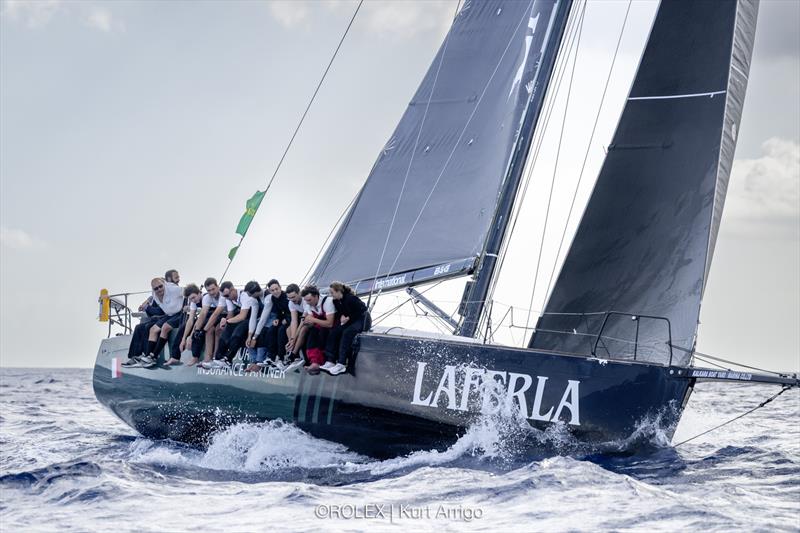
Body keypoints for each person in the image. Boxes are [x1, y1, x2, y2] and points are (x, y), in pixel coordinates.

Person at [123, 277, 183, 368]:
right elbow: (153, 303)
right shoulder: (154, 295)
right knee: (153, 329)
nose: (159, 289)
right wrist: (146, 303)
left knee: (165, 327)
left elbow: (189, 291)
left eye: (160, 286)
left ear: (164, 284)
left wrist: (188, 305)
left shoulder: (173, 289)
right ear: (153, 289)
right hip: (169, 315)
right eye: (156, 288)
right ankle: (147, 357)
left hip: (179, 313)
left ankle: (153, 356)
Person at [202, 281, 260, 369]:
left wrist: (228, 321)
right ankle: (218, 358)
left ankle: (228, 359)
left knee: (237, 331)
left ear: (233, 290)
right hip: (244, 316)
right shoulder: (229, 298)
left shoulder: (244, 295)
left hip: (254, 316)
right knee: (226, 329)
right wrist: (225, 320)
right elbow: (231, 314)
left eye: (227, 295)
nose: (226, 298)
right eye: (224, 296)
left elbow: (242, 316)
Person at [321, 282, 371, 376]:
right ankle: (330, 360)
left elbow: (363, 308)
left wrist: (348, 318)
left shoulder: (350, 298)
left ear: (338, 291)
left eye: (332, 293)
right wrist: (342, 316)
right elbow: (341, 312)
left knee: (347, 332)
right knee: (334, 332)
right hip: (351, 320)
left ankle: (341, 363)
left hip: (362, 319)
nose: (331, 295)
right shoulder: (335, 301)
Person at [247, 279, 291, 372]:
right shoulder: (256, 298)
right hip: (276, 317)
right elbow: (253, 317)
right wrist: (250, 336)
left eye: (276, 289)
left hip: (273, 316)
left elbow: (264, 318)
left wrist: (255, 337)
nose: (275, 292)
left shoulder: (269, 297)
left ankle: (262, 360)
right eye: (272, 290)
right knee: (250, 333)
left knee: (265, 331)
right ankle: (253, 360)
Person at [183, 278, 222, 366]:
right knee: (205, 329)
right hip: (214, 315)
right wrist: (191, 335)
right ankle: (207, 358)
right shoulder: (208, 297)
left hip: (222, 315)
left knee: (205, 329)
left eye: (213, 289)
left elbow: (205, 314)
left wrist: (197, 332)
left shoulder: (218, 296)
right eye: (209, 290)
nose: (211, 292)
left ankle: (215, 357)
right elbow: (197, 317)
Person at [299, 285, 336, 374]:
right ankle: (314, 361)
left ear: (316, 296)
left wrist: (313, 320)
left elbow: (330, 323)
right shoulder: (309, 304)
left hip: (334, 324)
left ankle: (327, 361)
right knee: (312, 333)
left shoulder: (328, 301)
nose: (307, 303)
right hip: (321, 324)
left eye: (309, 300)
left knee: (324, 333)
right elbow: (311, 319)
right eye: (306, 300)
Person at [165, 283, 202, 366]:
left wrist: (190, 337)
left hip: (209, 319)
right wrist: (183, 339)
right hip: (201, 319)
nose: (193, 300)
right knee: (183, 328)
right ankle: (175, 357)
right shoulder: (193, 302)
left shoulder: (206, 298)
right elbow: (191, 319)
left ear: (199, 293)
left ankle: (195, 357)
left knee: (197, 332)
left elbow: (200, 320)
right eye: (191, 299)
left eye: (194, 297)